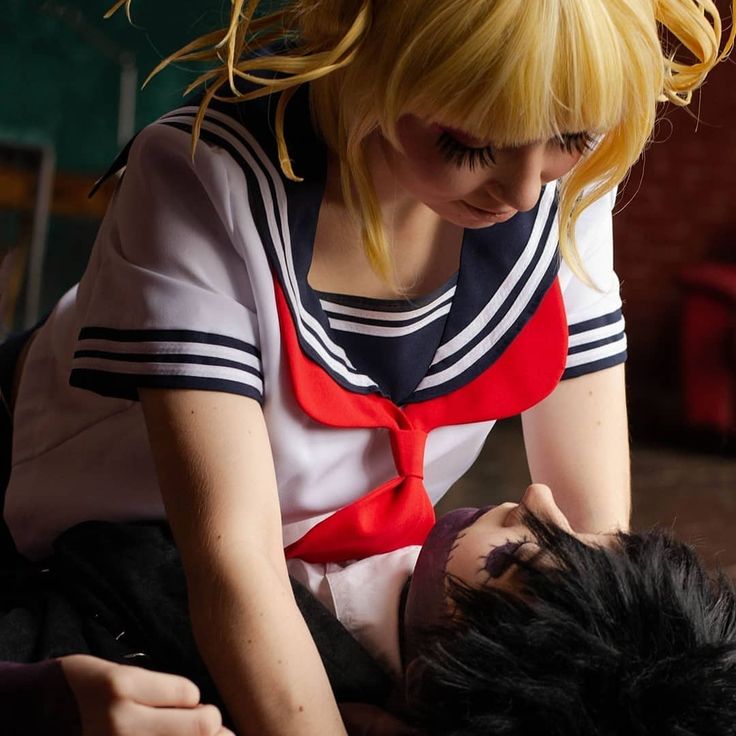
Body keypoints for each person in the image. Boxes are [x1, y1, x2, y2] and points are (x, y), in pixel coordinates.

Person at [2, 0, 734, 734]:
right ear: (364, 50)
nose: (523, 193)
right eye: (467, 144)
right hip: (81, 551)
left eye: (571, 135)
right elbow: (234, 566)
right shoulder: (205, 178)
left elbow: (595, 562)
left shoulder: (553, 166)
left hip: (289, 591)